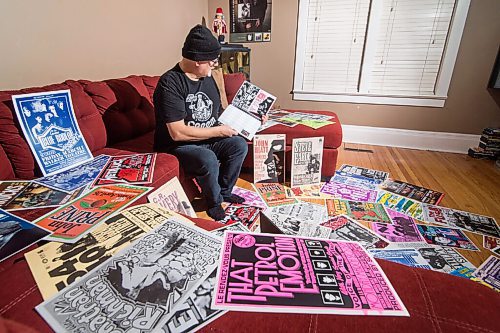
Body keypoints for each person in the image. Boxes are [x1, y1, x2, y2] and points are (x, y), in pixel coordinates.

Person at [153, 25, 250, 221]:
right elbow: (177, 133)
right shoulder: (170, 83)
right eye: (212, 61)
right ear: (197, 61)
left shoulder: (208, 77)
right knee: (206, 158)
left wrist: (251, 119)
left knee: (238, 145)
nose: (216, 64)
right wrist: (219, 131)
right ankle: (213, 202)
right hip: (179, 145)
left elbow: (218, 114)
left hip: (208, 136)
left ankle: (224, 193)